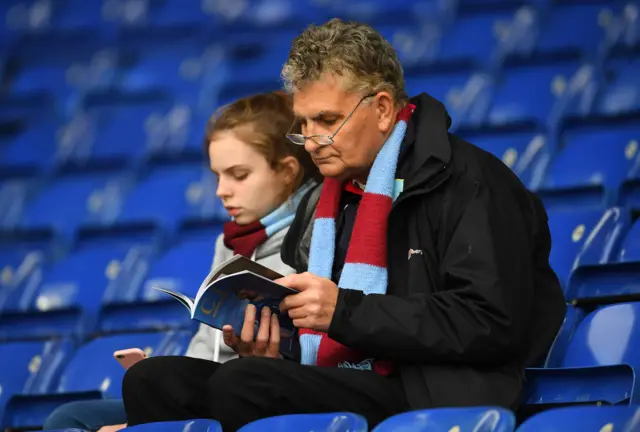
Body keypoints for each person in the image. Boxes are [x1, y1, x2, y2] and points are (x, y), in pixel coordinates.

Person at [122, 19, 566, 431]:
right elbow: (321, 334)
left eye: (328, 121)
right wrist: (277, 346)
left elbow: (491, 323)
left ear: (383, 109)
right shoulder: (326, 195)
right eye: (304, 123)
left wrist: (345, 312)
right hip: (345, 377)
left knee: (243, 384)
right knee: (154, 380)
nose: (311, 141)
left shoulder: (471, 181)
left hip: (429, 391)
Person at [42, 90, 321, 432]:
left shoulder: (316, 233)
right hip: (209, 382)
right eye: (217, 175)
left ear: (287, 171)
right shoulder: (231, 240)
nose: (222, 190)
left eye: (238, 174)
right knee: (70, 418)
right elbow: (207, 340)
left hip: (257, 389)